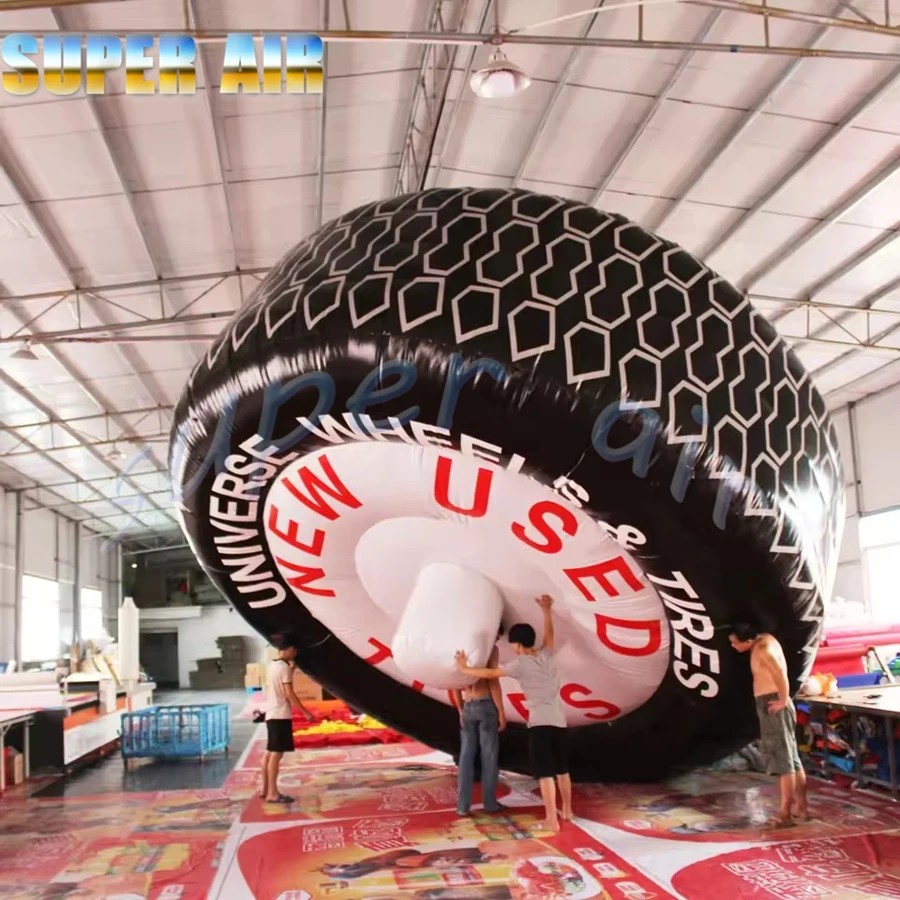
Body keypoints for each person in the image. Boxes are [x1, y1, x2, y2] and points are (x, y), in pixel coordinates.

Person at [455, 595, 571, 832]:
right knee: (562, 770)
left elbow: (490, 674)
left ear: (517, 644)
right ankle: (567, 810)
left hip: (540, 723)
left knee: (546, 773)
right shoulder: (546, 655)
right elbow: (550, 635)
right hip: (560, 720)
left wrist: (464, 667)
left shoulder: (519, 664)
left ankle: (551, 819)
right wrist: (546, 610)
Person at [729, 623, 809, 829]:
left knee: (783, 760)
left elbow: (780, 673)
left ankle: (785, 813)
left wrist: (782, 700)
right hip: (772, 701)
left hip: (773, 702)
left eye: (735, 643)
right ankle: (801, 808)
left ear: (747, 641)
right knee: (791, 757)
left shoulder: (764, 649)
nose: (733, 646)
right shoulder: (763, 639)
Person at [451, 627, 507, 817]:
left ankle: (462, 806)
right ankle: (490, 804)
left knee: (466, 757)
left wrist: (460, 708)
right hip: (486, 705)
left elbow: (454, 682)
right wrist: (501, 712)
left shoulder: (462, 651)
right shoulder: (491, 650)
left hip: (468, 705)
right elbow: (493, 682)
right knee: (489, 756)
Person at [260, 643, 313, 804]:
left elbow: (279, 681)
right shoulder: (283, 668)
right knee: (276, 754)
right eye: (295, 649)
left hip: (271, 713)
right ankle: (273, 794)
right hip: (280, 715)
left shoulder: (273, 665)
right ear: (289, 649)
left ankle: (266, 790)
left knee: (269, 753)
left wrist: (292, 669)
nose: (296, 652)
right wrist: (305, 712)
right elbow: (288, 693)